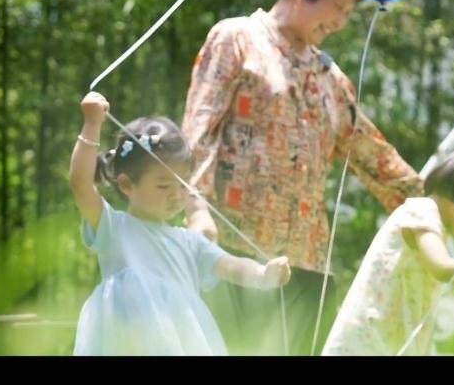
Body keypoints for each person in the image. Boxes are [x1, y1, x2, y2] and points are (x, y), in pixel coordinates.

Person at [182, 0, 454, 356]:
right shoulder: (236, 39)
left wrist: (446, 209)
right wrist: (195, 207)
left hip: (307, 265)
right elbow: (199, 129)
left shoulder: (330, 78)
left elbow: (377, 160)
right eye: (338, 8)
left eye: (349, 13)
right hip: (233, 251)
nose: (341, 23)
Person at [70, 91, 291, 356]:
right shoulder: (114, 229)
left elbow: (231, 266)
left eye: (183, 184)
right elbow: (81, 184)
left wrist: (262, 275)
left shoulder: (189, 242)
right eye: (164, 186)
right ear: (127, 184)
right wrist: (92, 124)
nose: (176, 195)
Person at [321, 141, 454, 356]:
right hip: (366, 344)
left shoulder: (432, 222)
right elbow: (442, 268)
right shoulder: (422, 211)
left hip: (387, 344)